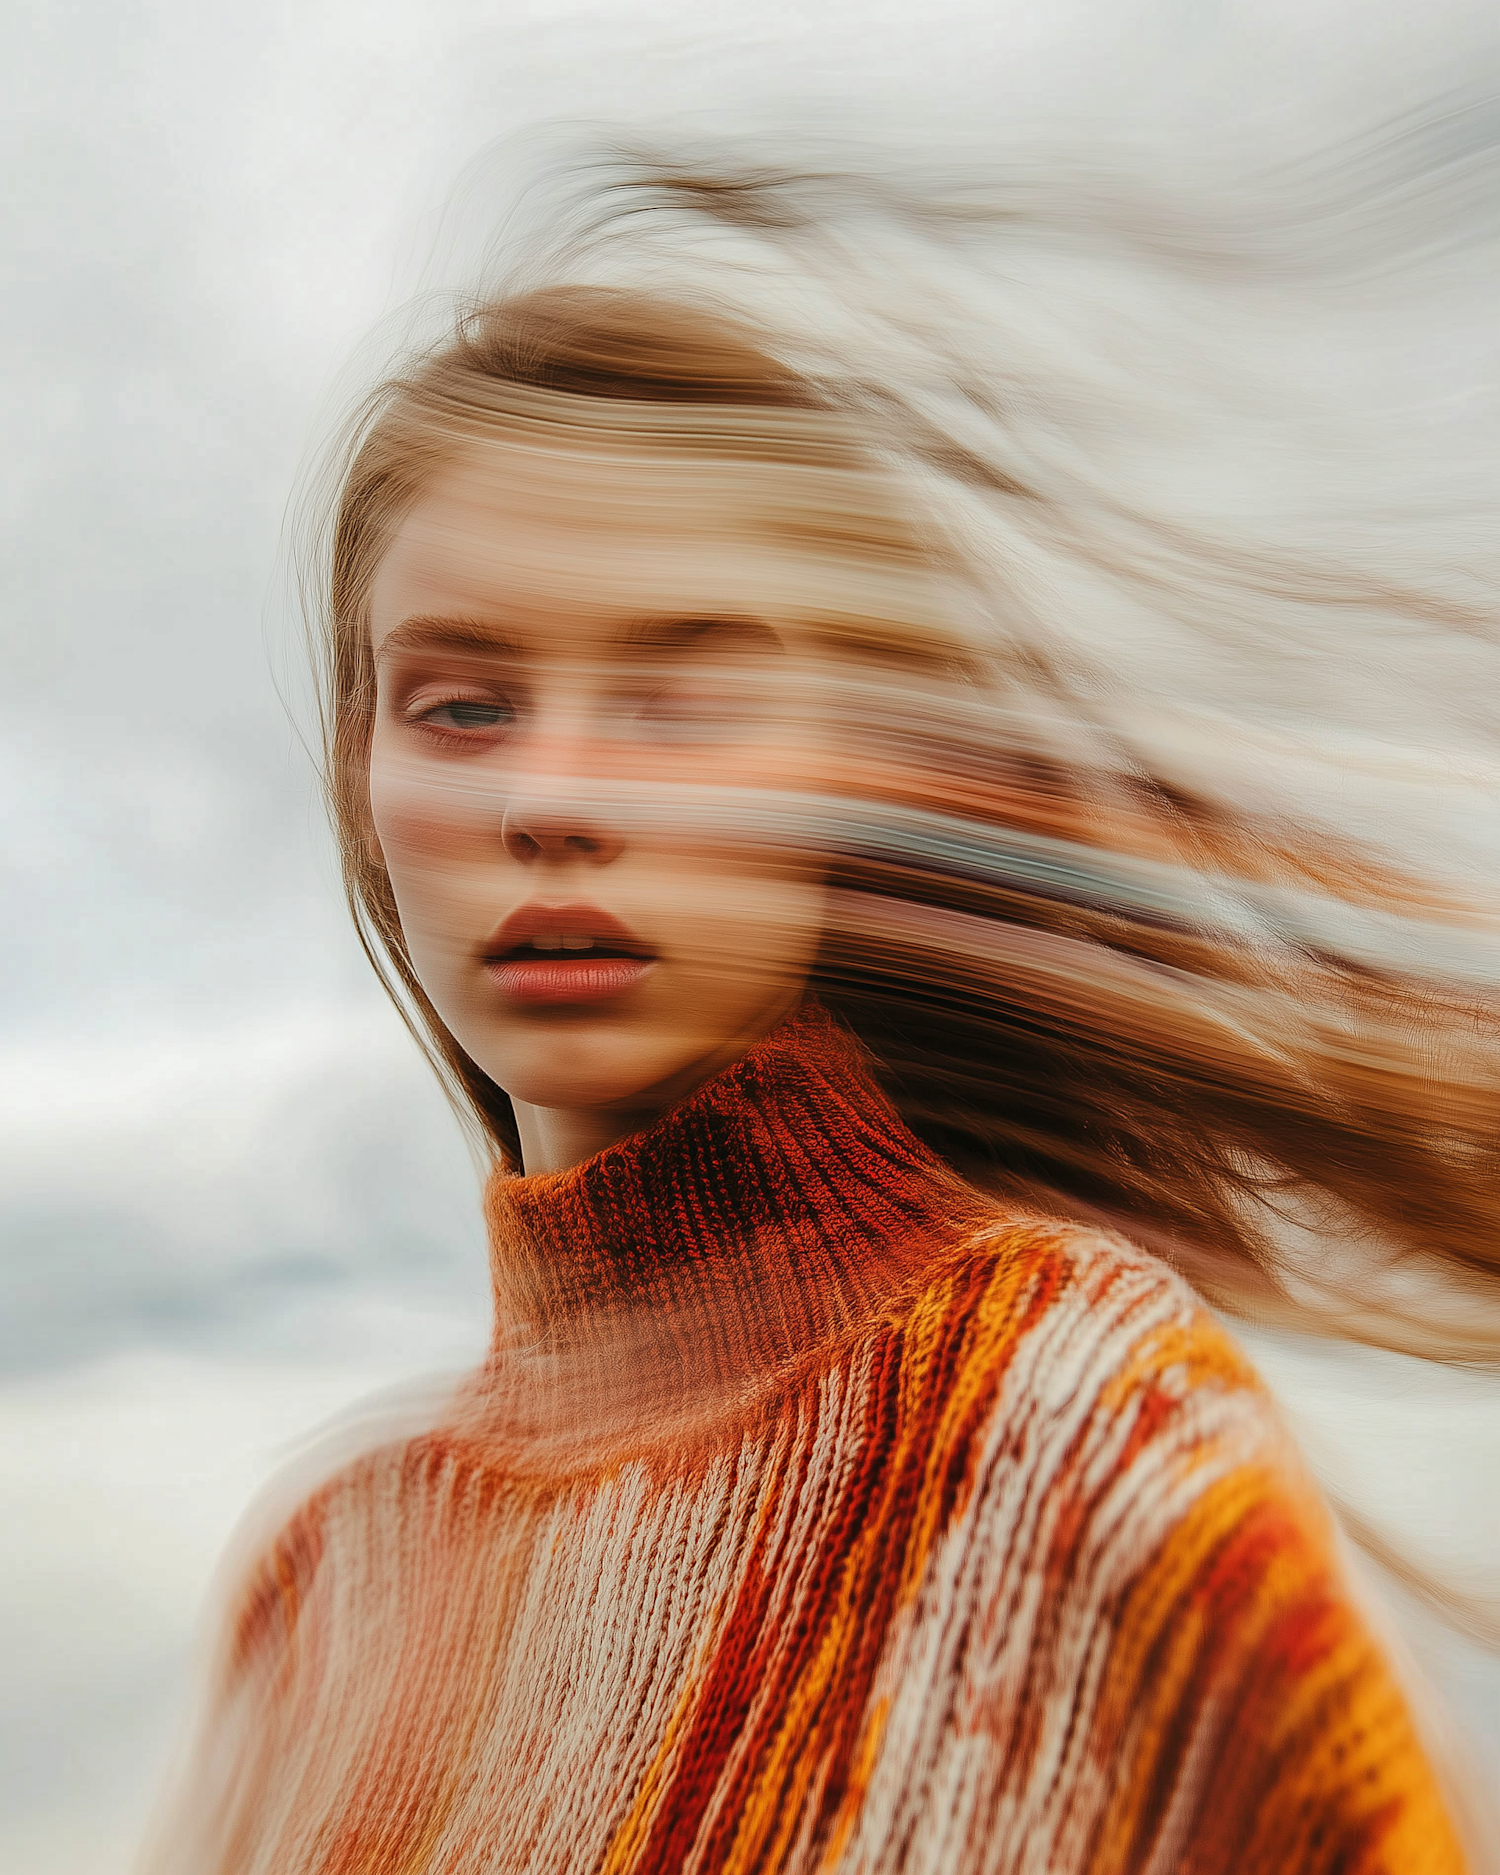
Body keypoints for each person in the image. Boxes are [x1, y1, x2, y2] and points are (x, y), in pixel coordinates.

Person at [139, 154, 1499, 1874]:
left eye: (676, 700)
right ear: (363, 781)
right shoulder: (322, 1587)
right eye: (467, 703)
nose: (552, 797)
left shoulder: (1066, 1415)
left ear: (842, 783)